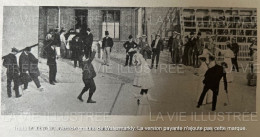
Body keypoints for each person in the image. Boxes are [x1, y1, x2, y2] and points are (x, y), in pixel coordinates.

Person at [132, 49, 155, 115]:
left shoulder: (139, 55)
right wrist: (137, 63)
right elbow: (138, 62)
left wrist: (138, 63)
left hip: (144, 68)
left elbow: (140, 62)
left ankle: (142, 94)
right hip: (143, 69)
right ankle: (142, 95)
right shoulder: (137, 55)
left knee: (145, 81)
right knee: (145, 82)